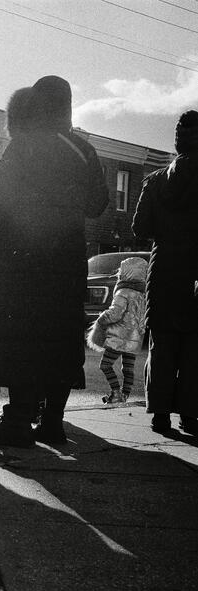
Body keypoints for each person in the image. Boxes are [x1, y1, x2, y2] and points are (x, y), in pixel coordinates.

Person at [0, 76, 109, 447]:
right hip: (66, 260)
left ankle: (17, 421)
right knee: (60, 337)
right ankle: (53, 421)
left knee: (21, 337)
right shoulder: (83, 151)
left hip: (21, 261)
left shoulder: (22, 147)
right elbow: (98, 205)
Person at [132, 110, 198, 435]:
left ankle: (160, 415)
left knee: (162, 348)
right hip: (196, 275)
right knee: (193, 351)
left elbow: (139, 227)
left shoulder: (155, 181)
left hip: (163, 272)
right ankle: (190, 414)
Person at [86, 257, 147, 407]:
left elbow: (115, 312)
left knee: (105, 365)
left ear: (127, 272)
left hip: (118, 337)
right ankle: (124, 395)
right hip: (135, 337)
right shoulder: (143, 293)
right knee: (128, 368)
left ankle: (116, 392)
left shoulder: (123, 291)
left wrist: (101, 319)